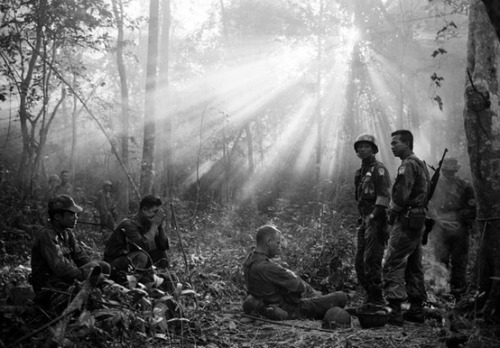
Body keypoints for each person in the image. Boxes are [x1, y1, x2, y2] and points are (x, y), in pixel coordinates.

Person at [242, 225, 348, 321]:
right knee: (341, 297)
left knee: (317, 296)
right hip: (290, 308)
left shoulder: (249, 260)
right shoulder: (267, 267)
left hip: (267, 303)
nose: (279, 246)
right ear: (269, 242)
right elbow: (299, 286)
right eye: (277, 243)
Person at [384, 129, 430, 325]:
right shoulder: (420, 163)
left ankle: (394, 310)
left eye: (395, 143)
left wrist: (391, 213)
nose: (392, 146)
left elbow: (401, 196)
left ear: (407, 144)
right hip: (417, 220)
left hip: (406, 220)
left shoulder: (408, 165)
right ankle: (417, 309)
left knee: (393, 261)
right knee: (413, 265)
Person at [30, 195, 110, 299]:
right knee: (83, 293)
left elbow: (81, 257)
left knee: (103, 267)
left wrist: (95, 269)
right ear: (57, 217)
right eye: (72, 214)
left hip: (63, 278)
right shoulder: (46, 235)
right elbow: (61, 268)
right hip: (50, 284)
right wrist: (86, 274)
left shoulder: (67, 233)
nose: (76, 217)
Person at [428, 157, 475, 298]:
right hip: (440, 227)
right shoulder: (435, 184)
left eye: (451, 170)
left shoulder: (465, 185)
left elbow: (472, 208)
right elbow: (428, 203)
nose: (449, 173)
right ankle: (442, 288)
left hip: (459, 228)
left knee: (459, 260)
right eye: (446, 170)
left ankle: (458, 288)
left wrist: (458, 216)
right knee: (441, 259)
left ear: (456, 170)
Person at [353, 134, 391, 308]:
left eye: (366, 146)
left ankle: (377, 299)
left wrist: (373, 217)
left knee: (372, 259)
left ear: (373, 149)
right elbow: (359, 198)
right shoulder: (360, 172)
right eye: (359, 147)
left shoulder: (379, 169)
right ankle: (370, 295)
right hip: (365, 220)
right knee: (359, 261)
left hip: (376, 221)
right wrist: (363, 219)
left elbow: (384, 197)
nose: (362, 149)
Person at [103, 195, 170, 285]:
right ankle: (130, 285)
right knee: (142, 256)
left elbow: (163, 246)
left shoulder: (148, 223)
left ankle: (159, 277)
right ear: (144, 210)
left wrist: (160, 227)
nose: (157, 216)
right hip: (113, 265)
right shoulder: (129, 224)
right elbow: (143, 246)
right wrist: (154, 225)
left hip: (133, 263)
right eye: (155, 212)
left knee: (161, 254)